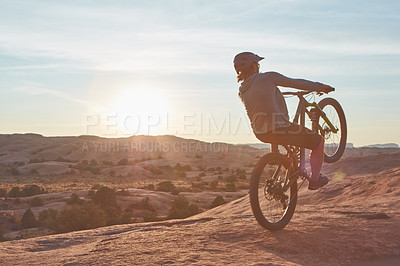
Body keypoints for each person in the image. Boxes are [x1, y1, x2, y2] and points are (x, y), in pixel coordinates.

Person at [234, 51, 334, 190]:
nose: (258, 66)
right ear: (253, 66)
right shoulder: (267, 77)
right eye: (257, 64)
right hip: (281, 129)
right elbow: (294, 82)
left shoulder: (242, 90)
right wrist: (319, 86)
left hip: (261, 133)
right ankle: (315, 180)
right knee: (318, 141)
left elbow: (263, 104)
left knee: (281, 135)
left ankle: (288, 166)